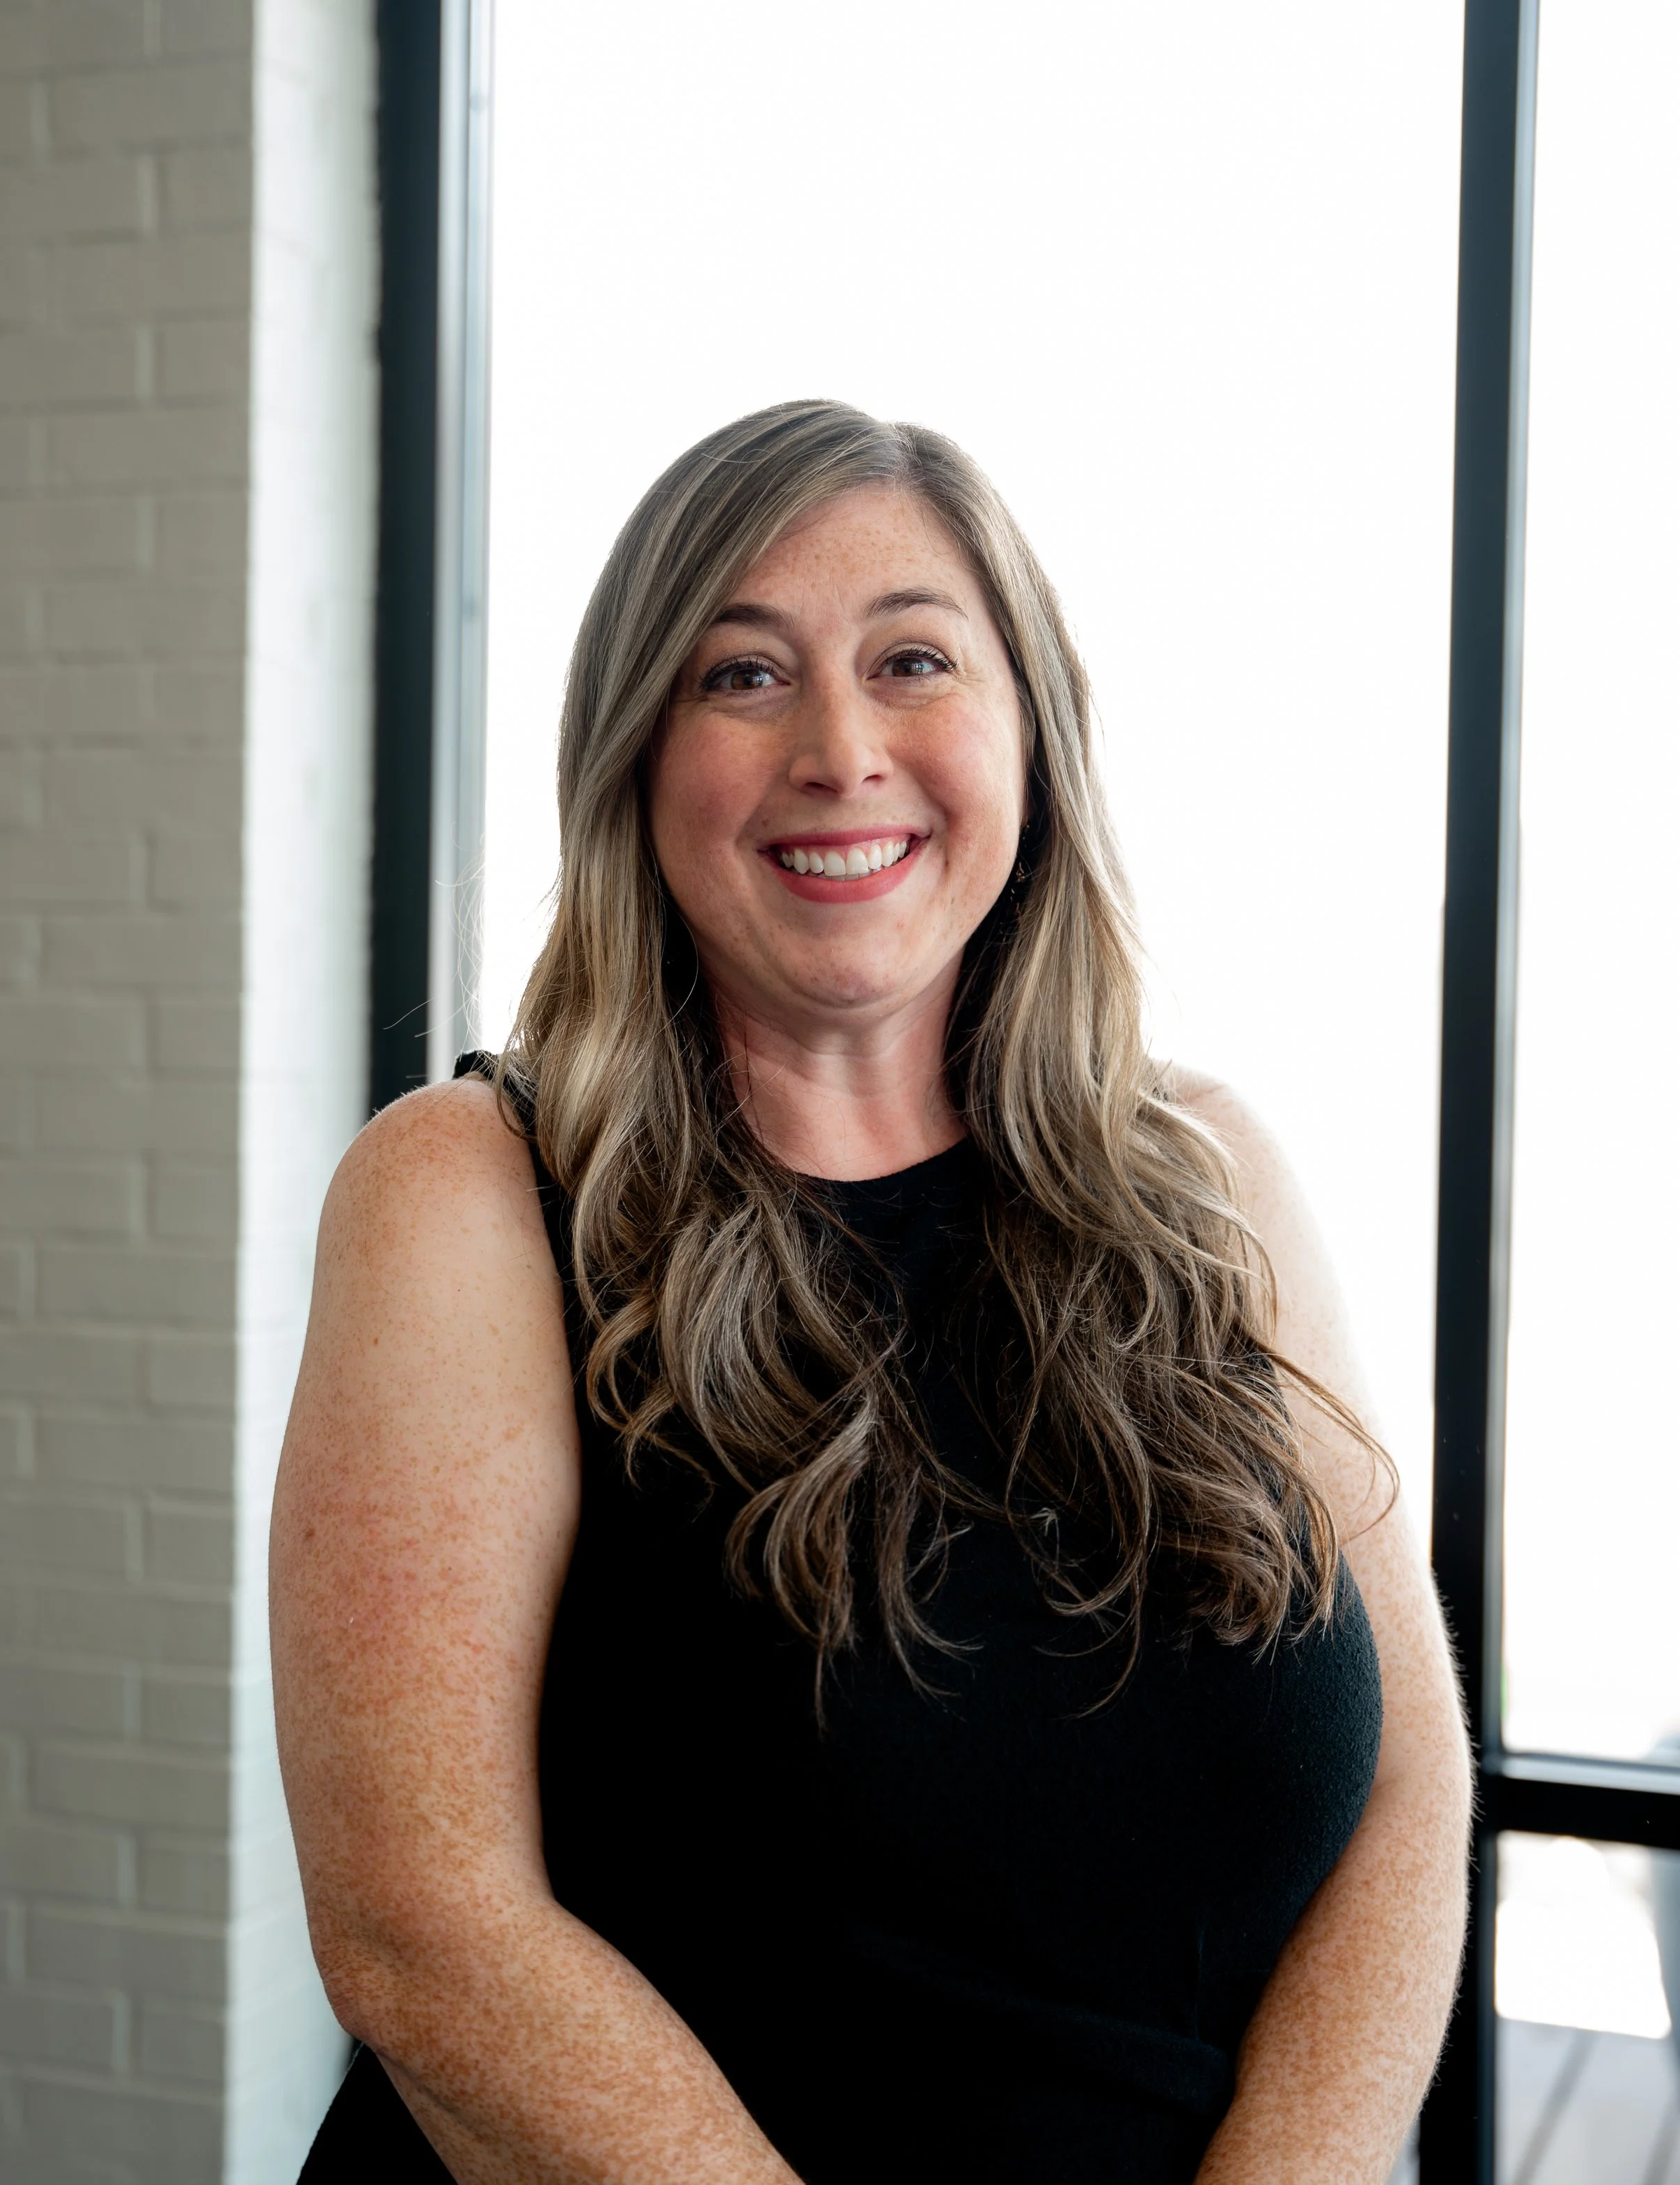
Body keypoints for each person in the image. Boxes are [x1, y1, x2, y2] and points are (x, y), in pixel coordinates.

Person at [273, 401, 1470, 2184]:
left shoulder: (1211, 1178)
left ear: (1029, 732)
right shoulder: (474, 1191)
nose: (838, 746)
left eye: (912, 656)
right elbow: (420, 1930)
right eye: (739, 676)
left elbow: (1406, 1795)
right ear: (636, 757)